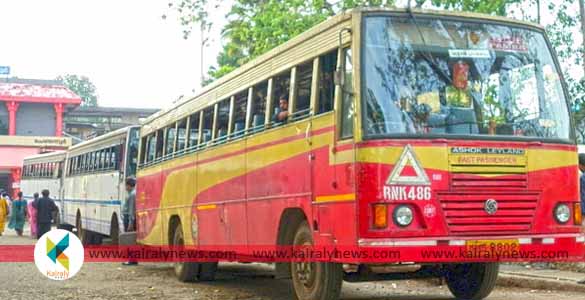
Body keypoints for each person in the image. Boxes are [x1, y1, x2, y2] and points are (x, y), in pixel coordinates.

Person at [122, 177, 138, 265]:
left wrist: (130, 223)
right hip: (128, 218)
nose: (125, 187)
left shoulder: (132, 195)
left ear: (129, 185)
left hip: (129, 219)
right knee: (131, 240)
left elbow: (132, 210)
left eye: (126, 185)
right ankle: (132, 259)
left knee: (129, 240)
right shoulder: (133, 193)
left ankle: (131, 259)